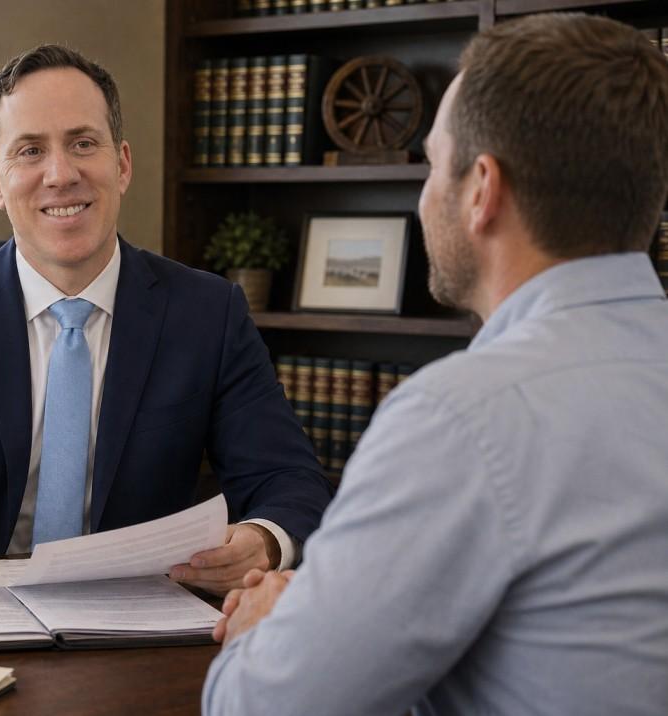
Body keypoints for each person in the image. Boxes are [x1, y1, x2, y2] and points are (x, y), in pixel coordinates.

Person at [203, 12, 668, 715]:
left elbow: (262, 707)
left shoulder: (460, 419)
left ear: (481, 189)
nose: (424, 195)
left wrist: (266, 628)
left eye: (431, 164)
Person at [0, 44, 333, 595]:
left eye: (83, 144)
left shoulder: (208, 314)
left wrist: (266, 540)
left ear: (122, 165)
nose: (60, 174)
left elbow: (291, 483)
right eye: (30, 151)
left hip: (137, 617)